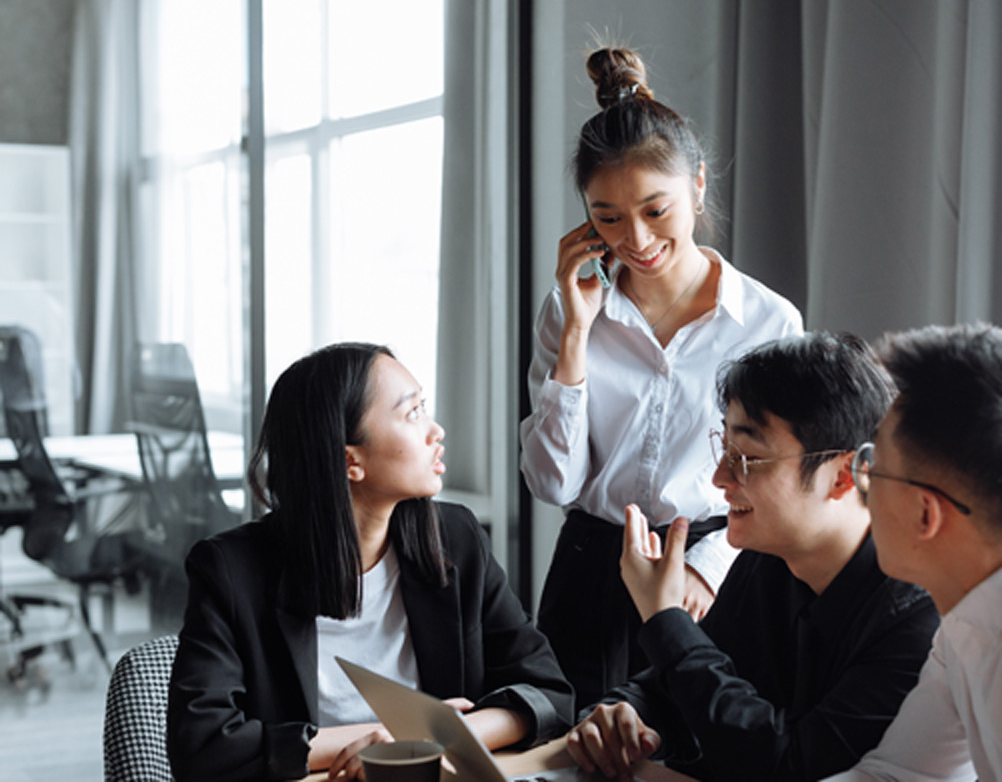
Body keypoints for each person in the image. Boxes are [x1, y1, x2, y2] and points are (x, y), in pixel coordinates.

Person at [519, 45, 803, 707]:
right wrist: (577, 336)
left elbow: (780, 472)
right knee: (572, 752)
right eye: (607, 218)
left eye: (655, 210)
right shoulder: (568, 310)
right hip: (591, 572)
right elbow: (550, 481)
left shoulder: (767, 321)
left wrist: (707, 571)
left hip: (713, 573)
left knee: (698, 755)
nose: (636, 241)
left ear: (698, 185)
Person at [167, 343, 573, 782]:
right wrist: (377, 739)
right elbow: (201, 746)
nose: (435, 431)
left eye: (425, 407)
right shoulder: (231, 571)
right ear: (349, 461)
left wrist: (434, 738)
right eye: (412, 413)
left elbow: (549, 694)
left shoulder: (456, 539)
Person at [565, 332, 940, 782]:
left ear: (845, 474)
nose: (721, 478)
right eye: (723, 450)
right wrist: (623, 712)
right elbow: (690, 688)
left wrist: (665, 618)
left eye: (747, 459)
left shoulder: (917, 615)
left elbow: (788, 767)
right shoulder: (770, 557)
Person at [824, 324, 1002, 782]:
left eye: (874, 468)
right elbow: (898, 773)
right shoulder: (961, 625)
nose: (860, 489)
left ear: (926, 515)